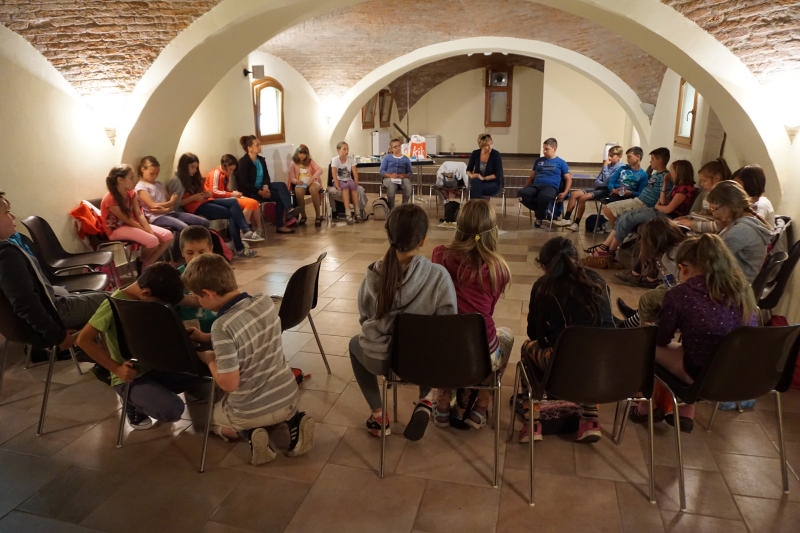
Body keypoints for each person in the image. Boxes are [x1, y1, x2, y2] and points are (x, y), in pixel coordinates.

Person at [182, 253, 314, 464]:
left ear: (207, 293)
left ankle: (250, 433)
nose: (197, 301)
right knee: (275, 407)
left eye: (197, 297)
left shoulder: (222, 326)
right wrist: (206, 337)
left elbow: (229, 384)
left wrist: (209, 359)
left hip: (249, 410)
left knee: (212, 420)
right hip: (288, 397)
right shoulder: (264, 301)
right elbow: (246, 335)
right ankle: (295, 421)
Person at [349, 204, 457, 441]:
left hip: (383, 361)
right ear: (423, 240)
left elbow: (364, 318)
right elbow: (447, 326)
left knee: (354, 344)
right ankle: (426, 399)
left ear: (389, 235)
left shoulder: (374, 274)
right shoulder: (438, 276)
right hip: (422, 363)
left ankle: (378, 415)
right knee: (432, 342)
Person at [628, 234, 757, 432]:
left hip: (702, 376)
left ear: (685, 267)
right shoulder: (743, 290)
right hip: (738, 376)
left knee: (646, 345)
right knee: (696, 350)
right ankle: (685, 411)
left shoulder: (681, 294)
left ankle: (646, 407)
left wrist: (653, 327)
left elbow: (662, 339)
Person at [76, 263, 210, 430]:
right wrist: (116, 369)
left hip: (160, 365)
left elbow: (190, 300)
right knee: (172, 409)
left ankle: (156, 392)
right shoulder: (112, 305)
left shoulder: (156, 289)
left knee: (212, 374)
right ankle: (132, 402)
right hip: (133, 375)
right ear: (146, 293)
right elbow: (83, 340)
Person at [518, 237, 613, 443]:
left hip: (562, 366)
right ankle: (590, 420)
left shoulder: (543, 287)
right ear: (576, 258)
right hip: (602, 367)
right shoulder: (598, 281)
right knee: (589, 350)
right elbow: (608, 325)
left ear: (545, 265)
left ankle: (533, 422)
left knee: (527, 348)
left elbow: (534, 333)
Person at [431, 200, 513, 429]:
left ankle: (442, 405)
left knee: (449, 335)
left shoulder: (439, 254)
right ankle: (481, 406)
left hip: (442, 348)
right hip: (479, 352)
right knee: (506, 336)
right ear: (493, 230)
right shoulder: (499, 268)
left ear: (459, 226)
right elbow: (488, 311)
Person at [0, 191, 106, 357]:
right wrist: (58, 336)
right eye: (6, 212)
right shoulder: (7, 255)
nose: (13, 216)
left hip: (36, 316)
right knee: (116, 301)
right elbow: (25, 304)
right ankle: (113, 361)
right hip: (55, 312)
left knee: (88, 296)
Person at [585, 158, 695, 267]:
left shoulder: (684, 190)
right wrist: (665, 185)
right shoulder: (677, 186)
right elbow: (662, 201)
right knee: (624, 216)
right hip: (658, 210)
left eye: (672, 170)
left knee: (628, 219)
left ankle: (610, 252)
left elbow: (668, 209)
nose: (670, 173)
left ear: (679, 172)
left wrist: (658, 206)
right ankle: (606, 247)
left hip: (666, 215)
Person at [173, 152, 260, 257]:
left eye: (196, 167)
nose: (195, 170)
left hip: (204, 201)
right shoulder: (177, 180)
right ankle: (241, 243)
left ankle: (245, 234)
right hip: (196, 207)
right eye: (192, 167)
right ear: (184, 166)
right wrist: (194, 197)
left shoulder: (193, 177)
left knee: (234, 202)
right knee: (234, 213)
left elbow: (203, 191)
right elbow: (177, 203)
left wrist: (206, 194)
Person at [615, 217, 688, 328]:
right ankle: (634, 318)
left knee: (648, 298)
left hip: (688, 294)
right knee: (659, 289)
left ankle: (637, 329)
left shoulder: (669, 258)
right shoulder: (678, 247)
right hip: (689, 289)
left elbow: (680, 285)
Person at [101, 164, 174, 268]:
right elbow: (127, 219)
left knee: (168, 236)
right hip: (116, 229)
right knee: (152, 240)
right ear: (120, 180)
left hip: (132, 224)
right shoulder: (110, 198)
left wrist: (149, 229)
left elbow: (139, 214)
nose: (134, 180)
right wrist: (147, 231)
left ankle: (147, 265)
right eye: (131, 178)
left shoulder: (132, 193)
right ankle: (142, 265)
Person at [706, 180, 772, 283]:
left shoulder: (741, 230)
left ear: (729, 205)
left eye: (715, 208)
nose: (713, 214)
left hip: (736, 285)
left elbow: (713, 260)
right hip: (740, 280)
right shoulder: (749, 220)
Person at [235, 135, 297, 234]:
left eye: (260, 144)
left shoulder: (261, 160)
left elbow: (266, 177)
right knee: (279, 195)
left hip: (262, 188)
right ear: (249, 148)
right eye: (257, 145)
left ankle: (283, 220)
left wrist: (265, 187)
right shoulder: (244, 162)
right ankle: (288, 212)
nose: (260, 147)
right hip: (252, 192)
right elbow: (244, 184)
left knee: (281, 187)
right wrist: (259, 192)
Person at [135, 155, 210, 234]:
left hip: (170, 213)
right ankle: (184, 242)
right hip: (156, 218)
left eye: (156, 174)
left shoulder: (159, 184)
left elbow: (170, 201)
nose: (154, 176)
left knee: (204, 222)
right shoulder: (141, 186)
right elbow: (153, 205)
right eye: (152, 173)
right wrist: (170, 203)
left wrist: (168, 208)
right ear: (143, 169)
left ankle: (203, 240)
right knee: (184, 228)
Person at [600, 147, 670, 230]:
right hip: (622, 194)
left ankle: (619, 231)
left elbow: (660, 196)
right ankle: (618, 230)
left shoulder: (658, 176)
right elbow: (611, 182)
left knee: (609, 209)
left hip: (637, 199)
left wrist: (631, 193)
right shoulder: (655, 174)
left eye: (652, 159)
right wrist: (613, 190)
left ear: (638, 157)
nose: (650, 161)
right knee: (609, 207)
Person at [556, 144, 623, 231]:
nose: (609, 158)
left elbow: (608, 181)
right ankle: (566, 219)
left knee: (583, 198)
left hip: (608, 190)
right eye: (608, 155)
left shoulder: (619, 167)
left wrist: (605, 168)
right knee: (574, 194)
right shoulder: (609, 165)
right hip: (599, 187)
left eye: (612, 156)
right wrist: (602, 182)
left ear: (619, 157)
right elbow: (597, 180)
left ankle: (576, 223)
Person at [205, 154, 264, 238]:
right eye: (230, 169)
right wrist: (231, 194)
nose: (231, 172)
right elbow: (213, 191)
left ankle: (258, 228)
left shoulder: (225, 174)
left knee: (254, 202)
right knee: (249, 204)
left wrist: (233, 192)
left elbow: (223, 190)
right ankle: (243, 231)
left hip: (224, 197)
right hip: (216, 199)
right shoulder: (216, 173)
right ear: (224, 166)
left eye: (233, 170)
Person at [519, 138, 572, 228]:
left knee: (543, 197)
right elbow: (532, 177)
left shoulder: (561, 162)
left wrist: (565, 192)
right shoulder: (538, 161)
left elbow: (568, 179)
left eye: (547, 149)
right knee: (522, 194)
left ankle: (539, 218)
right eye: (543, 148)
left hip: (550, 187)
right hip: (536, 185)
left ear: (554, 149)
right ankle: (542, 210)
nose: (544, 151)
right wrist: (526, 187)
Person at [672, 157, 732, 234]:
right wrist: (688, 217)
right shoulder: (707, 194)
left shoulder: (724, 200)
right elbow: (703, 214)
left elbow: (718, 226)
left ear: (717, 179)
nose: (701, 184)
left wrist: (691, 224)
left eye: (704, 181)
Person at [175, 226, 217, 333]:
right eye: (190, 253)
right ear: (182, 252)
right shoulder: (176, 276)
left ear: (211, 249)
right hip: (190, 330)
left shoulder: (220, 272)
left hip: (217, 327)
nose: (196, 258)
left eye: (202, 252)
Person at [287, 144, 324, 226]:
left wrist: (313, 178)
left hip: (312, 181)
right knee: (298, 191)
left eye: (304, 153)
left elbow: (320, 170)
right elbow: (292, 177)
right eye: (300, 153)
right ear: (297, 153)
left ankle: (318, 216)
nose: (302, 155)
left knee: (313, 189)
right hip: (301, 182)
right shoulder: (293, 163)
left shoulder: (310, 161)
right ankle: (303, 216)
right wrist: (297, 181)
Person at [330, 140, 362, 224]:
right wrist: (337, 185)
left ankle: (357, 212)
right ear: (338, 150)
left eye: (347, 149)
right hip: (339, 180)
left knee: (353, 186)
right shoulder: (335, 160)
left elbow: (355, 172)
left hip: (348, 179)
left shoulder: (350, 159)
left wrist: (356, 182)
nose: (346, 151)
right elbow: (333, 173)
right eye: (344, 149)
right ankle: (348, 213)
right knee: (345, 187)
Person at [466, 133, 504, 200]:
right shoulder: (475, 153)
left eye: (491, 144)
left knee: (475, 188)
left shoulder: (496, 154)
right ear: (481, 146)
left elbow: (498, 174)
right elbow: (468, 170)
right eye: (487, 145)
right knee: (475, 181)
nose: (490, 147)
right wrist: (472, 175)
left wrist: (483, 178)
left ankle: (474, 204)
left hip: (493, 183)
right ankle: (481, 205)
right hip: (478, 182)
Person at [379, 138, 413, 210]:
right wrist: (390, 175)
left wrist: (404, 175)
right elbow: (382, 171)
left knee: (408, 185)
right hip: (389, 179)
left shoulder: (406, 159)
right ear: (391, 149)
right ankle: (392, 208)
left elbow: (410, 173)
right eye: (395, 147)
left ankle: (404, 207)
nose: (398, 148)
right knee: (391, 186)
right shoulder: (386, 158)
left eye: (399, 146)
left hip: (402, 179)